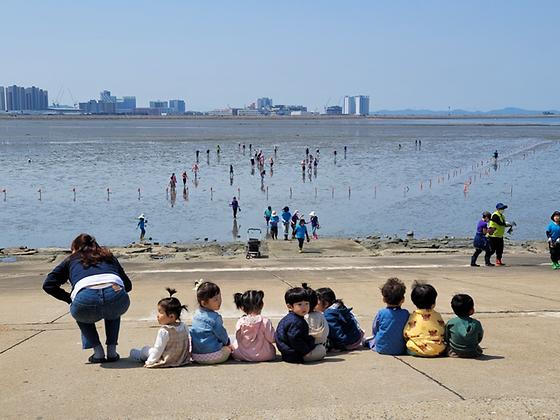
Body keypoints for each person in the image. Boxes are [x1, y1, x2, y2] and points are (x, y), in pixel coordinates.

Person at [42, 233, 131, 363]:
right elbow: (128, 286)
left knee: (80, 310)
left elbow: (48, 285)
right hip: (115, 294)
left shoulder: (71, 260)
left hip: (85, 301)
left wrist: (70, 299)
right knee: (113, 310)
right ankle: (112, 351)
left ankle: (98, 352)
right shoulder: (108, 257)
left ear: (75, 248)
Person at [129, 288, 190, 368]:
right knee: (149, 350)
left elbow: (158, 349)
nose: (157, 315)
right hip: (181, 359)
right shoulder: (183, 326)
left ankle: (136, 353)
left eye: (161, 312)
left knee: (144, 350)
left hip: (166, 358)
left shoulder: (164, 331)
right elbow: (188, 344)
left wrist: (149, 362)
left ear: (171, 316)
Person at [190, 280, 231, 364]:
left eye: (220, 297)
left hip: (196, 356)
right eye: (216, 299)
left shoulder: (196, 314)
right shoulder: (215, 318)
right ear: (204, 303)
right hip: (212, 356)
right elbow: (222, 335)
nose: (220, 301)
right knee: (229, 348)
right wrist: (228, 343)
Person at [231, 290, 276, 362]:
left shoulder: (241, 321)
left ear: (242, 308)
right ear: (261, 305)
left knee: (234, 343)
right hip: (265, 355)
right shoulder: (265, 321)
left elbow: (238, 337)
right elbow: (272, 339)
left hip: (242, 355)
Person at [368, 278, 409, 355]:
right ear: (402, 300)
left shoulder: (381, 313)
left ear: (384, 299)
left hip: (381, 348)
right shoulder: (405, 313)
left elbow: (375, 330)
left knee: (370, 340)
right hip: (401, 349)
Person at [403, 282, 445, 357]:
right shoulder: (437, 315)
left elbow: (406, 333)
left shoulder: (414, 316)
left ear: (414, 302)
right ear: (433, 303)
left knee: (408, 345)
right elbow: (443, 331)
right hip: (438, 350)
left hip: (416, 350)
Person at [274, 287, 316, 363]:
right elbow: (295, 339)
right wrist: (306, 351)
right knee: (321, 350)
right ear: (290, 306)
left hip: (288, 353)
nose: (304, 307)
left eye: (306, 304)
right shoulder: (296, 322)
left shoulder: (291, 318)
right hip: (294, 354)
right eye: (300, 304)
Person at [445, 294, 484, 358]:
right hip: (473, 352)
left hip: (454, 352)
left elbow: (447, 337)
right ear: (471, 310)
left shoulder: (451, 322)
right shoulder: (476, 323)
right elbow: (479, 337)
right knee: (478, 348)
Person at [302, 283, 328, 362]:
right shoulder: (320, 314)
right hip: (320, 348)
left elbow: (311, 338)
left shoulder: (309, 317)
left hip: (312, 350)